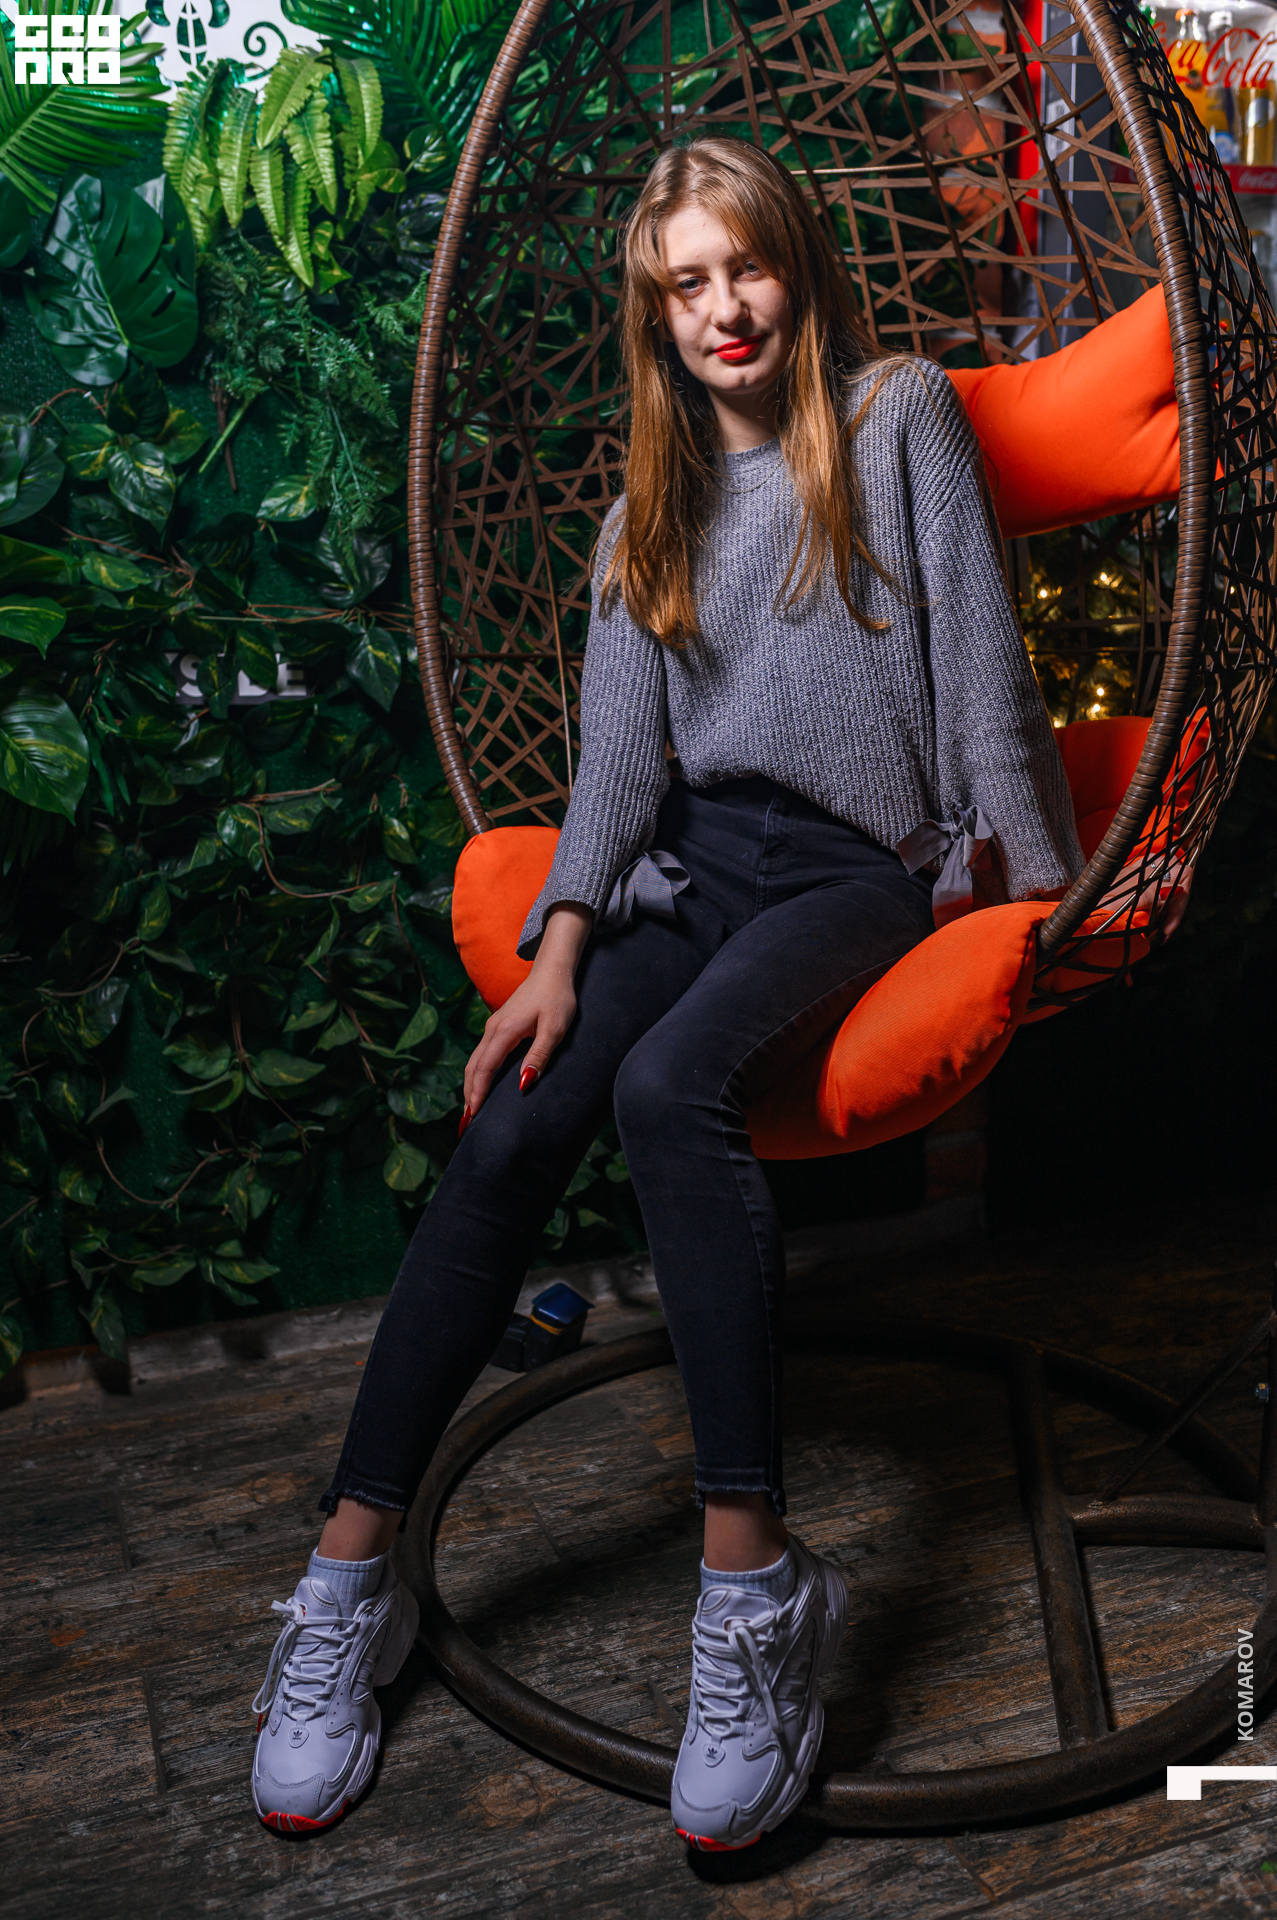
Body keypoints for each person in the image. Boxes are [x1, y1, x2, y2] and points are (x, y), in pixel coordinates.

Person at [248, 134, 1083, 1849]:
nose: (722, 309)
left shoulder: (899, 414)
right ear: (654, 316)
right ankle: (347, 1578)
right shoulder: (647, 508)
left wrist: (1033, 896)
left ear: (797, 265)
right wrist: (555, 953)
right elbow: (619, 773)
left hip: (849, 868)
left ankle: (754, 1589)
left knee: (663, 1089)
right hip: (684, 869)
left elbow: (980, 660)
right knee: (515, 1117)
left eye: (743, 267)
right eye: (684, 286)